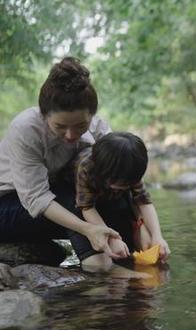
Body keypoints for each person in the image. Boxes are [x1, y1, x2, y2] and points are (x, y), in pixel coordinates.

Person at [0, 57, 121, 269]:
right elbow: (37, 198)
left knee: (114, 193)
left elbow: (125, 173)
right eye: (60, 126)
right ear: (44, 115)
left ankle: (134, 254)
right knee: (74, 199)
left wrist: (149, 232)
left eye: (80, 125)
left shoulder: (98, 127)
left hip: (53, 201)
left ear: (91, 116)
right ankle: (100, 266)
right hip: (9, 206)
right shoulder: (26, 130)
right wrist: (87, 229)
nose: (70, 134)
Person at [74, 132, 170, 266]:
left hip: (113, 194)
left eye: (127, 183)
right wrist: (111, 237)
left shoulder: (130, 168)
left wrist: (157, 237)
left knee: (144, 241)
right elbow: (87, 207)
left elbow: (144, 202)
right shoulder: (87, 167)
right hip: (80, 193)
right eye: (118, 182)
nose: (122, 185)